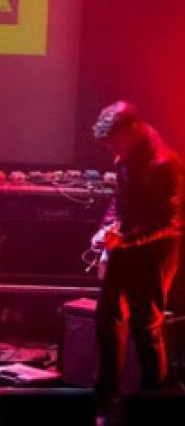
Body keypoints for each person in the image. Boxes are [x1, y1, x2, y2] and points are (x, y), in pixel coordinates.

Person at [91, 101, 183, 408]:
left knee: (146, 325)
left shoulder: (166, 164)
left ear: (133, 129)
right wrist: (105, 229)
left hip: (156, 254)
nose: (111, 148)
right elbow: (118, 202)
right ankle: (106, 396)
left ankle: (154, 399)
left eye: (114, 141)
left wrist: (125, 239)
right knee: (108, 318)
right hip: (127, 246)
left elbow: (169, 221)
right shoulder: (126, 157)